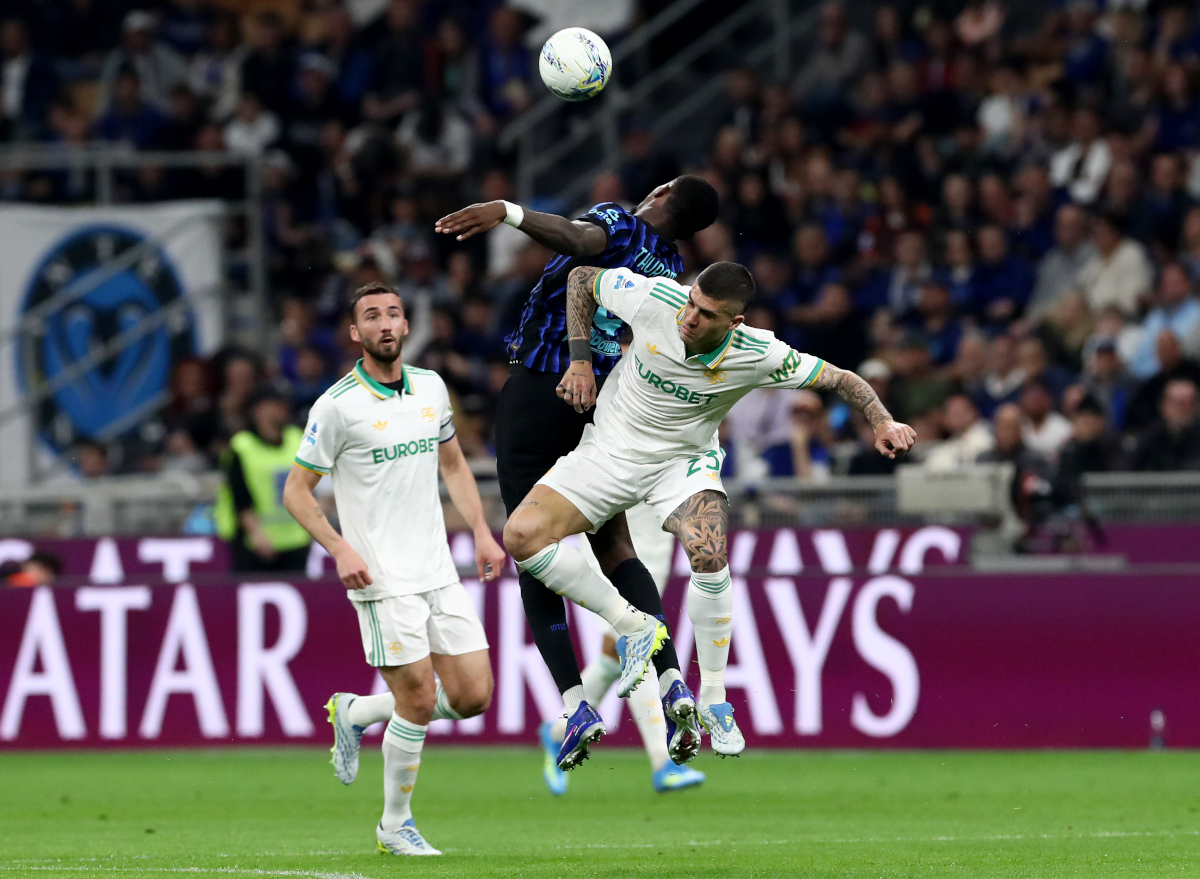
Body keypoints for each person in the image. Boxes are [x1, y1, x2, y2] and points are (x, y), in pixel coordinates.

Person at [502, 261, 916, 768]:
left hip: (681, 463)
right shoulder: (658, 300)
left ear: (733, 323)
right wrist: (581, 359)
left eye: (706, 313)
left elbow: (841, 378)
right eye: (693, 302)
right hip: (608, 453)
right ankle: (630, 625)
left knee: (709, 548)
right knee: (521, 536)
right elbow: (582, 278)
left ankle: (715, 698)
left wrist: (882, 420)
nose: (690, 317)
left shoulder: (759, 353)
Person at [435, 176, 720, 788]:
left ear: (664, 192)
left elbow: (577, 241)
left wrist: (507, 212)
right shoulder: (669, 271)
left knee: (527, 544)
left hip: (545, 390)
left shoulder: (621, 221)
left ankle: (572, 702)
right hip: (600, 413)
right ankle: (673, 684)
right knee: (616, 544)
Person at [282, 282, 506, 857]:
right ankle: (395, 824)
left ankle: (355, 712)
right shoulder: (336, 406)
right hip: (380, 578)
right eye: (371, 317)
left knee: (474, 695)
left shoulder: (431, 388)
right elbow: (297, 492)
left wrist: (480, 530)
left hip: (437, 568)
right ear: (356, 334)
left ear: (406, 326)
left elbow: (454, 464)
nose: (385, 323)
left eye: (394, 314)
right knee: (416, 698)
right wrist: (338, 548)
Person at [215, 384, 311, 573]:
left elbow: (317, 482)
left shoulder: (298, 439)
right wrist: (257, 535)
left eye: (284, 404)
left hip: (296, 539)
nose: (282, 409)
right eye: (275, 404)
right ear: (258, 410)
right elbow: (240, 498)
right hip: (253, 544)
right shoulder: (242, 447)